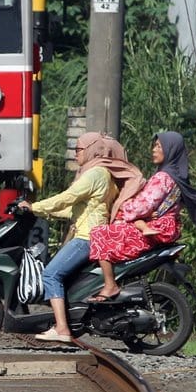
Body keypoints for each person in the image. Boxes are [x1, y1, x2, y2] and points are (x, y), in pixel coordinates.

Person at [17, 132, 144, 342]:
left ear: (93, 149)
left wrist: (35, 205)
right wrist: (37, 211)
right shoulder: (105, 174)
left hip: (86, 238)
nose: (75, 153)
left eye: (79, 149)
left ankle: (62, 328)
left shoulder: (95, 173)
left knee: (50, 274)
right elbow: (74, 211)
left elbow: (68, 197)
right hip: (91, 233)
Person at [87, 131, 196, 302]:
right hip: (163, 227)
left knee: (99, 234)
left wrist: (121, 206)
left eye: (159, 146)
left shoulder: (163, 177)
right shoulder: (176, 175)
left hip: (154, 229)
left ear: (170, 150)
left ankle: (110, 285)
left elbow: (142, 206)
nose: (154, 150)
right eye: (154, 145)